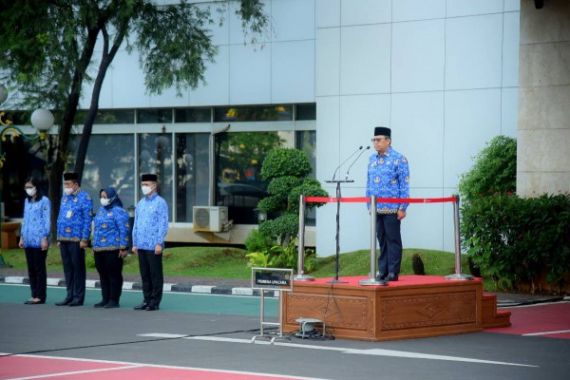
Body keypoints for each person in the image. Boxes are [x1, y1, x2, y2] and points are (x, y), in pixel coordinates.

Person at [366, 126, 410, 283]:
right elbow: (369, 183)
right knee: (381, 240)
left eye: (378, 140)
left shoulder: (399, 159)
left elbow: (404, 185)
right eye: (374, 140)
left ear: (388, 140)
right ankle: (382, 271)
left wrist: (403, 207)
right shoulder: (372, 159)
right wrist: (369, 205)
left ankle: (393, 272)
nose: (375, 143)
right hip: (376, 207)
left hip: (392, 208)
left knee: (393, 240)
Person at [132, 173, 169, 311]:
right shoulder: (141, 203)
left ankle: (154, 301)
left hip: (154, 245)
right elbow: (136, 223)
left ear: (154, 185)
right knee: (145, 275)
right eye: (142, 184)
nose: (144, 187)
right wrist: (134, 242)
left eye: (146, 184)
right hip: (141, 244)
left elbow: (163, 223)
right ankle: (146, 299)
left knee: (155, 274)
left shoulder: (160, 203)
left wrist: (159, 242)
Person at [56, 172, 93, 306]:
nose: (66, 186)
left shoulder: (85, 198)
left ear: (76, 184)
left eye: (68, 184)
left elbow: (87, 219)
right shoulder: (65, 197)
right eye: (65, 184)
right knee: (68, 268)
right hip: (64, 238)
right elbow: (60, 217)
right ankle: (69, 295)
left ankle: (78, 297)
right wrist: (59, 237)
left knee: (78, 268)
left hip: (77, 239)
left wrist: (84, 239)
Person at [92, 187, 129, 308]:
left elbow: (124, 229)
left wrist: (123, 247)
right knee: (103, 274)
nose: (103, 199)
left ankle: (114, 299)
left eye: (105, 197)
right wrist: (94, 245)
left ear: (113, 197)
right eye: (101, 197)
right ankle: (105, 298)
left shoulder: (119, 211)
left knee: (114, 274)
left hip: (113, 248)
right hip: (99, 249)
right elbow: (96, 229)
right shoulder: (100, 210)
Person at [19, 177, 51, 305]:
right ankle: (34, 294)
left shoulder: (44, 201)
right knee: (31, 269)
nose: (28, 190)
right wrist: (21, 237)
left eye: (30, 187)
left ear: (36, 187)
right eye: (26, 187)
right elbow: (25, 219)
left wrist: (44, 237)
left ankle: (40, 296)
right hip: (28, 239)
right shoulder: (27, 201)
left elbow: (46, 220)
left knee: (39, 268)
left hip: (39, 240)